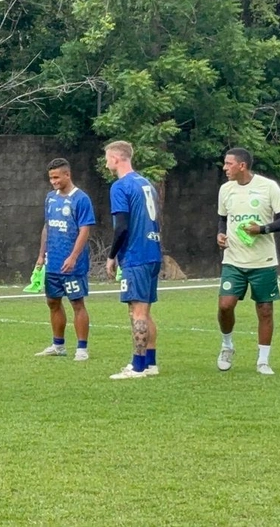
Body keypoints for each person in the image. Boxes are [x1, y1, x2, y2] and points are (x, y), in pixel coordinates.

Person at [215, 147, 280, 375]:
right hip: (233, 260)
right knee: (225, 305)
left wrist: (262, 229)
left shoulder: (268, 187)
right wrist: (220, 234)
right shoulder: (225, 189)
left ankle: (263, 360)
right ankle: (227, 346)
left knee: (265, 309)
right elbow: (222, 219)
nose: (225, 168)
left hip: (263, 261)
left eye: (228, 164)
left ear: (242, 166)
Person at [104, 141, 163, 380]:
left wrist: (111, 256)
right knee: (145, 312)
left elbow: (122, 227)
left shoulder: (121, 186)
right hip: (153, 252)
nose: (106, 164)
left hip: (136, 255)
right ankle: (150, 364)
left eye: (107, 159)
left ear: (116, 158)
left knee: (136, 312)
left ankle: (137, 367)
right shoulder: (146, 183)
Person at [33, 158, 95, 361]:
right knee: (52, 302)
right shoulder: (50, 198)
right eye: (51, 178)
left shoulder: (81, 199)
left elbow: (85, 230)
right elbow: (47, 226)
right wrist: (41, 255)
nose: (53, 181)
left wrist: (73, 256)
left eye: (56, 177)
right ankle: (58, 345)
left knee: (77, 303)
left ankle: (82, 348)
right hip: (53, 262)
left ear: (67, 175)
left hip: (72, 265)